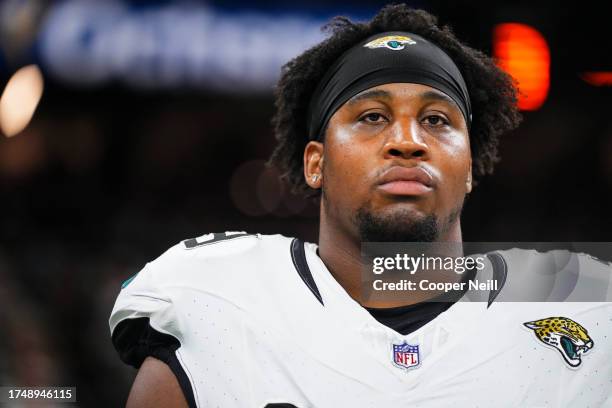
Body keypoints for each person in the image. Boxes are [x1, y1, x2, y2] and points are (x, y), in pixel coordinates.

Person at [109, 4, 612, 407]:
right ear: (315, 164)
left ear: (470, 168)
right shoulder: (215, 304)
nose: (408, 141)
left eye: (438, 120)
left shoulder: (583, 304)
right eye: (372, 116)